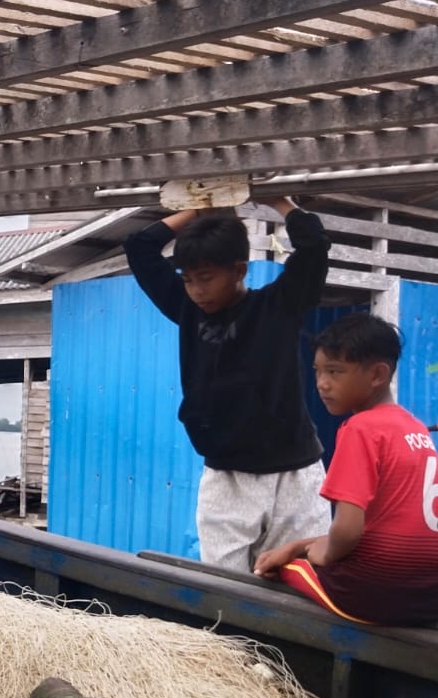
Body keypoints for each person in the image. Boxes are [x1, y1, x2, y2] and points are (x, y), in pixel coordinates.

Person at [124, 198, 331, 571]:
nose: (196, 290)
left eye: (206, 278)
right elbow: (139, 247)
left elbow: (314, 246)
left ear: (239, 270)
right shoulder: (186, 310)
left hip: (294, 473)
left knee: (300, 580)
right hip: (227, 474)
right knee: (224, 585)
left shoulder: (278, 306)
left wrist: (280, 201)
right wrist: (200, 210)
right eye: (187, 279)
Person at [254, 314, 438, 625]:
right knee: (303, 550)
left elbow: (348, 530)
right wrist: (303, 545)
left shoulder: (360, 429)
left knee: (275, 567)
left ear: (378, 374)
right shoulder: (415, 428)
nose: (322, 383)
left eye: (335, 372)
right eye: (318, 372)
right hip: (430, 597)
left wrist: (318, 554)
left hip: (373, 592)